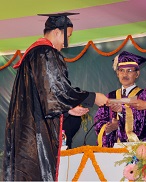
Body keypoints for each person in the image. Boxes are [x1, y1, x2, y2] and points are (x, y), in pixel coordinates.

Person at [2, 12, 108, 181]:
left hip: (27, 131)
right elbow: (56, 91)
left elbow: (44, 98)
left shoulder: (33, 54)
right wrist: (92, 97)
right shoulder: (45, 52)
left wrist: (69, 110)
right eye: (69, 36)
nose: (66, 43)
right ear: (59, 32)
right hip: (35, 134)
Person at [94, 51, 146, 147]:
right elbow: (99, 120)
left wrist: (121, 117)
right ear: (117, 74)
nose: (125, 75)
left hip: (136, 147)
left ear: (137, 74)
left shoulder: (144, 95)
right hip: (113, 148)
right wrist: (108, 128)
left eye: (129, 71)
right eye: (121, 71)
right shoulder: (110, 96)